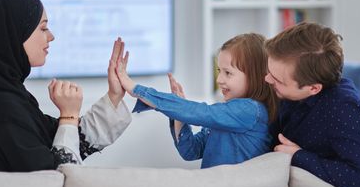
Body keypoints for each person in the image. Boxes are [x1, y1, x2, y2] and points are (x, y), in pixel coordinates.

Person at [0, 0, 132, 172]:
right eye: (43, 28)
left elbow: (61, 140)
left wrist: (114, 96)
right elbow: (58, 182)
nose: (51, 36)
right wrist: (68, 114)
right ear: (5, 35)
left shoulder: (5, 99)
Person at [264, 22, 360, 187]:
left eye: (277, 79)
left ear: (313, 88)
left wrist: (299, 156)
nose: (267, 78)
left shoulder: (341, 109)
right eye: (269, 70)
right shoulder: (289, 89)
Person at [114, 33, 278, 168]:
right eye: (219, 71)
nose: (219, 79)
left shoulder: (251, 110)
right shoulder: (227, 114)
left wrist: (136, 89)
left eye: (228, 73)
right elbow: (191, 151)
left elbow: (201, 112)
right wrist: (179, 115)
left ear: (255, 75)